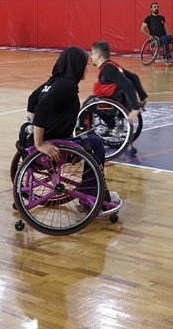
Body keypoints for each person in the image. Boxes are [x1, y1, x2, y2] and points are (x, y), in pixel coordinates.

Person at [25, 47, 121, 212]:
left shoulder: (52, 82)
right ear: (76, 65)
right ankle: (93, 196)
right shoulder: (67, 85)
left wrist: (32, 129)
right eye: (84, 64)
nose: (87, 67)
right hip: (55, 144)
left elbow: (32, 100)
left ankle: (91, 190)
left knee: (89, 138)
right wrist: (40, 143)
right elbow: (41, 108)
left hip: (42, 140)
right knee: (96, 144)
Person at [90, 41, 148, 126]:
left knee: (88, 104)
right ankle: (112, 125)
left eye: (92, 54)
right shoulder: (113, 65)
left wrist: (135, 108)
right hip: (117, 100)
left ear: (98, 55)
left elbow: (128, 85)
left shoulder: (108, 70)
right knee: (91, 100)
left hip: (111, 103)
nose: (91, 56)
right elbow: (134, 77)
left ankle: (81, 130)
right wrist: (143, 97)